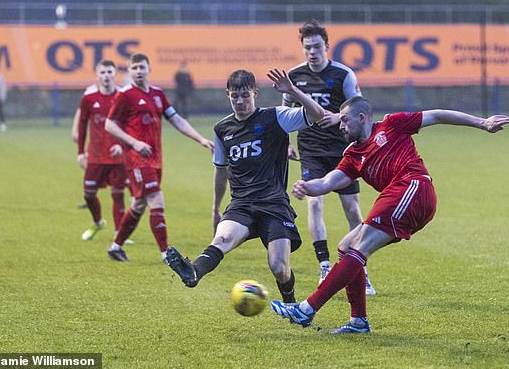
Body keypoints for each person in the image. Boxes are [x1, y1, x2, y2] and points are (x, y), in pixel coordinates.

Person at [271, 97, 509, 334]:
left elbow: (437, 114)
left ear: (362, 117)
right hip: (399, 196)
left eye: (344, 120)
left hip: (414, 187)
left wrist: (482, 123)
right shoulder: (353, 155)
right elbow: (328, 182)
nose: (340, 126)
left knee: (358, 247)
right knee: (346, 246)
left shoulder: (391, 124)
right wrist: (307, 186)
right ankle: (358, 322)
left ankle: (306, 308)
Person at [165, 68, 325, 303]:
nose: (239, 102)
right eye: (234, 97)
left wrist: (292, 90)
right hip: (241, 205)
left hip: (274, 205)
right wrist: (215, 209)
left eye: (245, 96)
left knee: (279, 268)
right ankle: (193, 272)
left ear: (255, 93)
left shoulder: (276, 117)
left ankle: (291, 304)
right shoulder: (222, 129)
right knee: (221, 240)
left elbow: (318, 114)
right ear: (228, 95)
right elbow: (221, 172)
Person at [283, 19, 375, 294]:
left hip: (342, 149)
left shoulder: (342, 74)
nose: (312, 52)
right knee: (314, 205)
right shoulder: (295, 76)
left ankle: (360, 266)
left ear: (327, 46)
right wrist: (285, 142)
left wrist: (338, 117)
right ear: (303, 48)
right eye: (308, 47)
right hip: (310, 149)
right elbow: (284, 112)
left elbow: (360, 106)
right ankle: (324, 266)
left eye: (317, 46)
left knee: (352, 209)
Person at [104, 53, 214, 263]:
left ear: (148, 69)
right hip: (136, 159)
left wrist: (200, 139)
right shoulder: (125, 95)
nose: (138, 71)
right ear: (129, 71)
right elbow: (109, 124)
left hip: (155, 159)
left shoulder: (157, 94)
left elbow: (176, 119)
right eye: (134, 68)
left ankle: (115, 247)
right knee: (156, 199)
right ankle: (166, 254)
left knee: (139, 204)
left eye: (141, 67)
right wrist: (134, 143)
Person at [76, 60, 127, 241]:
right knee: (88, 194)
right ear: (97, 75)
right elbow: (82, 125)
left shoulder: (122, 96)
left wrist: (122, 145)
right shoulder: (88, 97)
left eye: (109, 72)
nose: (106, 76)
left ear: (115, 74)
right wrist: (81, 152)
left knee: (118, 194)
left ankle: (119, 234)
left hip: (118, 157)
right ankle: (98, 223)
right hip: (96, 156)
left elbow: (129, 124)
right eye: (103, 72)